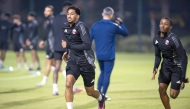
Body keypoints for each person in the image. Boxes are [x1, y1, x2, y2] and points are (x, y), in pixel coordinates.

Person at [61, 6, 105, 109]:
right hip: (73, 61)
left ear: (78, 16)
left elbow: (87, 45)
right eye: (68, 14)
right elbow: (70, 41)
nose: (69, 16)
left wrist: (69, 47)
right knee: (68, 84)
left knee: (89, 92)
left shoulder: (81, 26)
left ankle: (101, 99)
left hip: (86, 62)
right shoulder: (65, 27)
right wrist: (67, 52)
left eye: (72, 13)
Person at [90, 7, 128, 100]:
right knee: (106, 74)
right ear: (111, 15)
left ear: (102, 14)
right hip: (109, 55)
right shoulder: (113, 25)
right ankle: (102, 95)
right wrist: (121, 23)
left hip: (99, 54)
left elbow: (89, 39)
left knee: (102, 73)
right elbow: (125, 33)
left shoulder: (95, 25)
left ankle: (98, 94)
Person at [151, 17, 189, 109]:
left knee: (173, 95)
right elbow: (157, 56)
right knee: (161, 89)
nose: (163, 26)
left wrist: (182, 76)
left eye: (166, 24)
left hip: (177, 67)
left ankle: (178, 84)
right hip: (165, 67)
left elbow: (183, 57)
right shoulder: (156, 39)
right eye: (161, 23)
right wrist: (155, 68)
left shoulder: (173, 38)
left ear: (170, 27)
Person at [52, 1, 82, 95]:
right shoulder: (69, 19)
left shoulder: (55, 18)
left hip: (56, 45)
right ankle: (73, 88)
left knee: (57, 67)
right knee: (71, 67)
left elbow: (52, 32)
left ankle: (55, 89)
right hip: (67, 46)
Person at [37, 5, 55, 89]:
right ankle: (71, 82)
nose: (45, 12)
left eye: (48, 11)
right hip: (51, 45)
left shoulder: (52, 20)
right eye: (45, 10)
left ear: (52, 12)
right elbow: (48, 33)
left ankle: (44, 81)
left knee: (49, 63)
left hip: (52, 46)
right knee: (54, 64)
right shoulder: (49, 20)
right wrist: (43, 40)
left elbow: (53, 34)